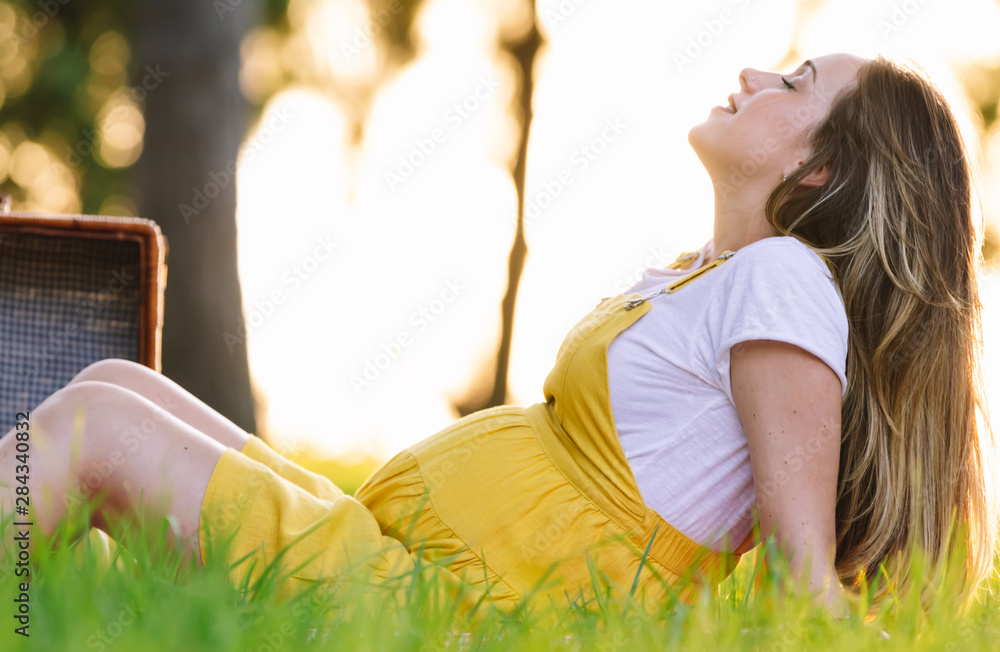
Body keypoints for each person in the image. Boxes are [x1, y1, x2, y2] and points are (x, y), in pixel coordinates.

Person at [1, 52, 996, 617]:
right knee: (115, 379)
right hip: (406, 565)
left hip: (439, 613)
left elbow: (797, 573)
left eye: (791, 84)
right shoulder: (722, 277)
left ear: (817, 171)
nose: (752, 73)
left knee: (94, 425)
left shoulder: (782, 283)